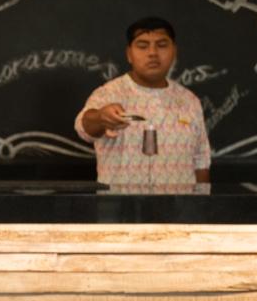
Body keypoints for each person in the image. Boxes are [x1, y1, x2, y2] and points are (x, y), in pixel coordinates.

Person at [75, 16, 213, 187]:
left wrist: (203, 206)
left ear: (174, 51)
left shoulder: (189, 100)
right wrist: (101, 117)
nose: (153, 53)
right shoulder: (109, 93)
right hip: (121, 209)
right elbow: (83, 128)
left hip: (179, 210)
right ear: (129, 54)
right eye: (142, 46)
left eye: (162, 45)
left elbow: (201, 160)